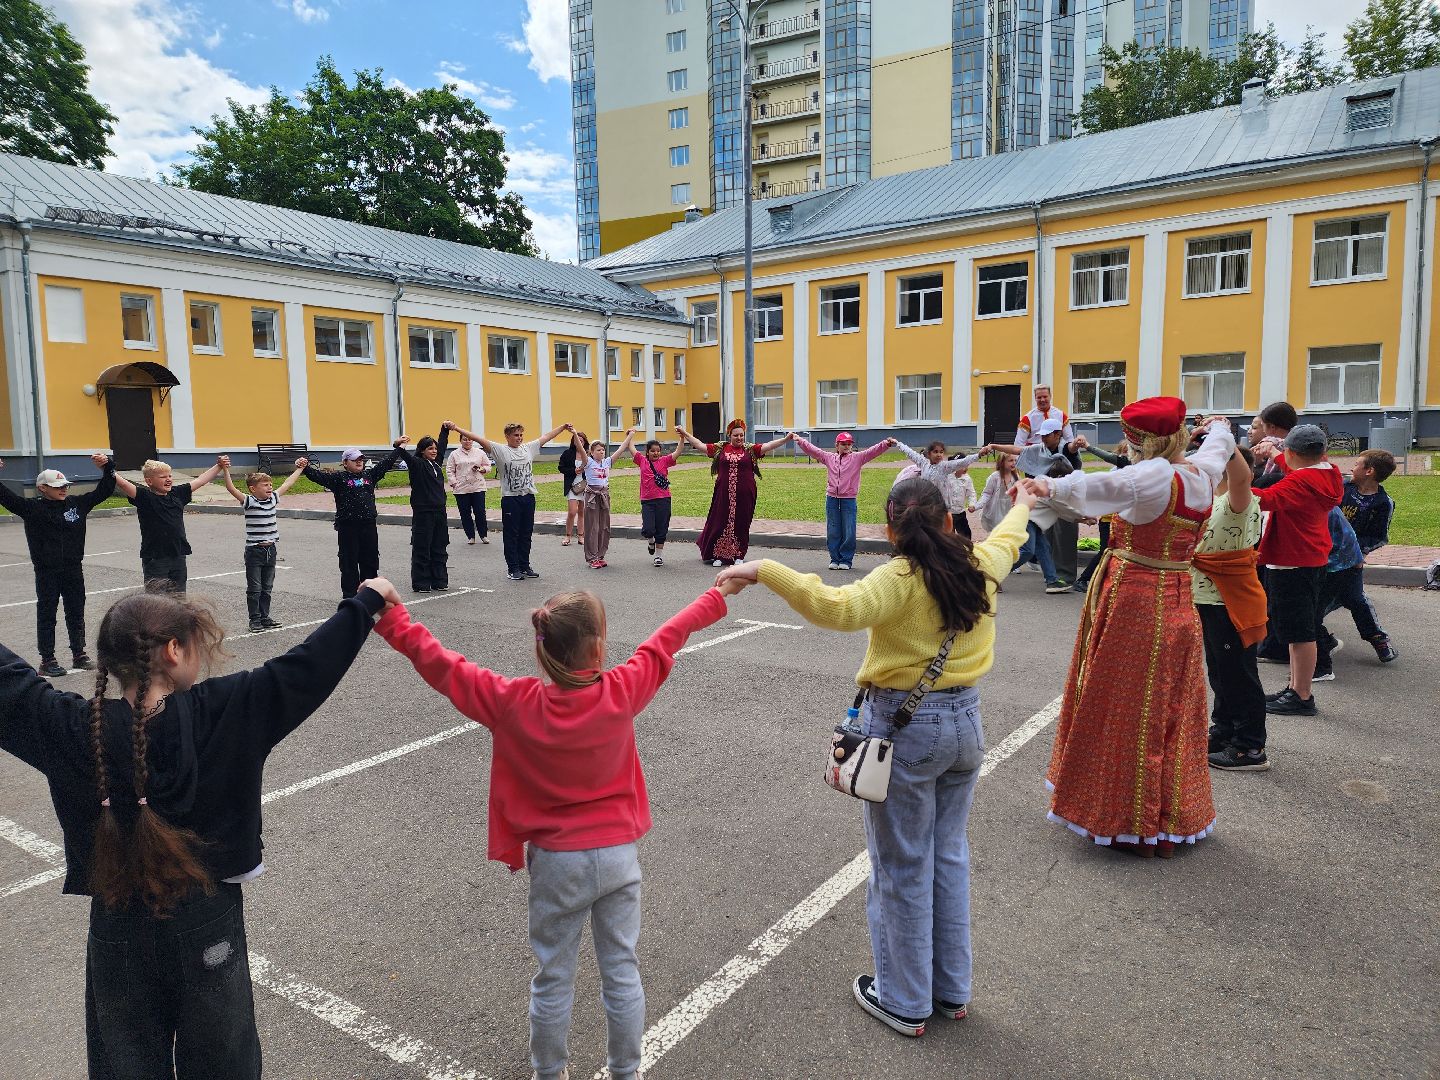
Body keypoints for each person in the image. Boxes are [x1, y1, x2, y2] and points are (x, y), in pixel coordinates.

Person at [0, 578, 393, 1078]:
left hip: (116, 923)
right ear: (172, 650)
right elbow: (305, 667)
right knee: (223, 1063)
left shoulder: (72, 726)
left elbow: (10, 685)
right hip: (208, 921)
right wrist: (365, 603)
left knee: (125, 1063)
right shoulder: (228, 709)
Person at [369, 576, 744, 1080]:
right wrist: (716, 596)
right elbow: (668, 636)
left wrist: (394, 619)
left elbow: (444, 667)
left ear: (545, 648)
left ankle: (549, 1073)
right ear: (597, 647)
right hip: (617, 857)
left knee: (553, 977)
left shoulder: (512, 701)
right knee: (621, 971)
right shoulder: (622, 690)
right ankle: (626, 1072)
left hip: (556, 863)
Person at [716, 478, 1034, 1037]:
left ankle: (905, 1000)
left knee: (902, 864)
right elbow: (1009, 537)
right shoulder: (980, 562)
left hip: (909, 728)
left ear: (890, 529)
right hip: (967, 725)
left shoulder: (898, 579)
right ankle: (951, 990)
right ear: (947, 521)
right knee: (948, 856)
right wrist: (1027, 502)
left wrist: (764, 568)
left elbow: (838, 607)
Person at [1024, 398, 1236, 857]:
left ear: (1143, 441)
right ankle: (1170, 813)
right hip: (1179, 594)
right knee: (1174, 704)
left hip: (1136, 600)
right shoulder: (1203, 470)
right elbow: (1221, 442)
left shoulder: (1151, 476)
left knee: (1122, 703)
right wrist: (1219, 425)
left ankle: (1128, 818)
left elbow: (1086, 487)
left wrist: (1042, 485)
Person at [1250, 424, 1345, 717]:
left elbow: (1260, 498)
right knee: (1296, 631)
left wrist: (1229, 476)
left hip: (1291, 562)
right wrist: (1277, 454)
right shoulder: (1328, 473)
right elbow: (1298, 472)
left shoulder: (1298, 484)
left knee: (1300, 633)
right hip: (1310, 558)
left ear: (1292, 451)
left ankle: (1302, 695)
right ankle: (1295, 688)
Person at [1190, 446, 1270, 772]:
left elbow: (1243, 475)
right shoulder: (1212, 499)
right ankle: (1224, 731)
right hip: (1207, 597)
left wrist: (1225, 440)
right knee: (1220, 673)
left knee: (1239, 675)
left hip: (1230, 599)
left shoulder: (1241, 500)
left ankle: (1250, 747)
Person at [0, 453, 116, 677]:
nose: (63, 489)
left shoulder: (77, 504)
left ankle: (79, 654)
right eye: (57, 486)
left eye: (65, 485)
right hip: (46, 571)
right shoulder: (30, 508)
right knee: (47, 613)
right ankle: (47, 659)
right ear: (42, 488)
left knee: (76, 611)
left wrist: (108, 467)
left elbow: (105, 490)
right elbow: (4, 495)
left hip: (73, 569)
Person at [453, 421, 573, 582]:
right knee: (512, 535)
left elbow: (546, 437)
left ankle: (525, 565)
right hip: (511, 500)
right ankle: (513, 568)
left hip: (528, 497)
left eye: (521, 435)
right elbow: (479, 439)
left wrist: (563, 428)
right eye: (516, 435)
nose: (519, 438)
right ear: (507, 436)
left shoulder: (528, 448)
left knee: (526, 534)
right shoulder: (500, 450)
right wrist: (455, 428)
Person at [300, 442, 408, 599]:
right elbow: (318, 477)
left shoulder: (369, 475)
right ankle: (350, 597)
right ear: (345, 463)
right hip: (348, 527)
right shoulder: (339, 478)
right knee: (349, 562)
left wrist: (399, 447)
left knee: (370, 561)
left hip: (368, 525)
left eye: (361, 459)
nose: (359, 462)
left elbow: (387, 463)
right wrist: (304, 466)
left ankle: (369, 595)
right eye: (355, 459)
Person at [676, 421, 790, 567]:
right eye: (736, 435)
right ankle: (718, 555)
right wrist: (685, 434)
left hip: (745, 495)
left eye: (742, 435)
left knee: (742, 523)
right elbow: (700, 445)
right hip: (723, 494)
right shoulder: (720, 448)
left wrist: (786, 439)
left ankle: (738, 555)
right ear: (729, 435)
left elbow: (769, 445)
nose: (739, 438)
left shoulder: (750, 449)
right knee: (719, 522)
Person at [986, 421, 1075, 595]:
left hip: (1038, 509)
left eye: (1046, 435)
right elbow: (1016, 449)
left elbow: (1072, 449)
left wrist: (1079, 443)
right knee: (1027, 550)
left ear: (1058, 434)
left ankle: (1052, 580)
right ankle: (991, 575)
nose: (1043, 438)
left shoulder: (1063, 453)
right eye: (1041, 434)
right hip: (1030, 506)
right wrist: (994, 445)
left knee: (1043, 547)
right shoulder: (1037, 451)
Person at [113, 457, 227, 592]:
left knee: (179, 598)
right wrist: (106, 467)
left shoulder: (177, 494)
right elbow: (124, 484)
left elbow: (200, 480)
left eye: (170, 476)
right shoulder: (144, 498)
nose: (168, 479)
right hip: (155, 558)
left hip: (178, 555)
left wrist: (219, 466)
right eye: (162, 477)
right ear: (149, 481)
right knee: (157, 601)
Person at [219, 461, 305, 632]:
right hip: (255, 551)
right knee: (255, 589)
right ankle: (254, 620)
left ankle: (265, 617)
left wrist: (300, 469)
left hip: (271, 550)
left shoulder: (273, 498)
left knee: (267, 588)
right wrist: (226, 469)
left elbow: (288, 483)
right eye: (265, 485)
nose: (270, 487)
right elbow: (230, 488)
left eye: (271, 484)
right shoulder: (249, 501)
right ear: (253, 489)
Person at [1334, 448, 1399, 663]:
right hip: (1325, 556)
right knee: (1313, 604)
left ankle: (1378, 639)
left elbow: (1379, 537)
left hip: (1351, 561)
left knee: (1355, 599)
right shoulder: (1343, 488)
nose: (1352, 467)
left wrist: (1358, 551)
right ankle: (1320, 642)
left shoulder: (1383, 503)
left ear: (1369, 471)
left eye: (1357, 463)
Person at [794, 431, 894, 570]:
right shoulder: (829, 458)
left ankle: (846, 560)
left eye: (849, 444)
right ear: (837, 445)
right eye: (843, 444)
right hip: (832, 499)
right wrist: (800, 440)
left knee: (849, 530)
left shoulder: (857, 458)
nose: (847, 446)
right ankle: (835, 559)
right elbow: (814, 451)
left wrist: (886, 443)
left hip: (849, 500)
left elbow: (872, 452)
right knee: (833, 529)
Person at [1015, 386, 1084, 588]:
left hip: (1060, 477)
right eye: (1038, 397)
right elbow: (1019, 445)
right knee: (1047, 530)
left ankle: (1058, 574)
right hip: (1038, 472)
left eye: (1045, 396)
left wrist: (1076, 444)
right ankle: (1052, 574)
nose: (1042, 400)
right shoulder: (1028, 419)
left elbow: (1070, 444)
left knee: (1061, 529)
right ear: (1035, 398)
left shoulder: (1060, 417)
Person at [394, 425, 452, 592]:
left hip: (440, 512)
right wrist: (398, 444)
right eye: (429, 448)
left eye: (434, 448)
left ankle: (439, 580)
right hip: (423, 513)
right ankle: (421, 583)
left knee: (439, 547)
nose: (434, 451)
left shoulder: (436, 464)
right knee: (422, 548)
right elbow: (402, 453)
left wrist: (444, 430)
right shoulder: (417, 464)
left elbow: (442, 445)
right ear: (421, 451)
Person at [1072, 442, 1132, 593]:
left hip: (1122, 519)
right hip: (1109, 519)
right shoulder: (1115, 473)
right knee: (1105, 550)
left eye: (1129, 452)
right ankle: (1083, 579)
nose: (1127, 455)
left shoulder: (1131, 472)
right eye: (1124, 452)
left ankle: (1109, 582)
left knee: (1119, 552)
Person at [632, 432, 682, 567]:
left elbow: (677, 452)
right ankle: (650, 541)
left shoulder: (665, 461)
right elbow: (632, 450)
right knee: (648, 529)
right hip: (647, 500)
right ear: (647, 452)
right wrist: (630, 436)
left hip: (664, 499)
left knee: (662, 528)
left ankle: (658, 556)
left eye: (658, 451)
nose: (656, 453)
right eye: (652, 451)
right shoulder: (642, 460)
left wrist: (682, 438)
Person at [583, 434, 626, 569]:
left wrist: (630, 436)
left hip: (604, 495)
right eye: (598, 450)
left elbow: (621, 449)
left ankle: (600, 555)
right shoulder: (588, 462)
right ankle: (592, 558)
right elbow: (580, 448)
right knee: (592, 527)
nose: (601, 452)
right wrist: (573, 433)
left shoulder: (607, 462)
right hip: (592, 497)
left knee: (604, 526)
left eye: (603, 450)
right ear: (591, 452)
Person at [446, 431, 491, 547]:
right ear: (460, 441)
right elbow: (450, 470)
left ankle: (483, 535)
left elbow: (488, 466)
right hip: (461, 488)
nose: (467, 441)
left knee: (480, 512)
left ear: (473, 440)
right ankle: (470, 536)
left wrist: (481, 469)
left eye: (470, 439)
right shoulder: (454, 454)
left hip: (478, 487)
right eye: (465, 439)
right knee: (465, 513)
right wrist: (454, 483)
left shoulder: (479, 452)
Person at [557, 431, 589, 547]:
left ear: (584, 442)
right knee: (572, 512)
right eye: (577, 440)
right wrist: (573, 471)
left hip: (585, 486)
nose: (579, 442)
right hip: (572, 486)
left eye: (581, 440)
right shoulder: (567, 453)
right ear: (573, 441)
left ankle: (581, 536)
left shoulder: (588, 454)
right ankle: (568, 536)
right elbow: (561, 468)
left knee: (582, 512)